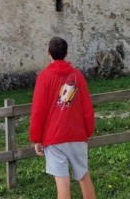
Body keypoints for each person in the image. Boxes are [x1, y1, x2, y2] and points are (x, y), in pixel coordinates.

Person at [29, 37, 96, 199]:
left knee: (62, 182)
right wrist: (87, 131)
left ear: (49, 53)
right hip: (77, 134)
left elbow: (38, 110)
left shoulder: (44, 77)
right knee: (84, 176)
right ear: (66, 53)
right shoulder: (77, 75)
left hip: (54, 137)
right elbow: (87, 106)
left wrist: (36, 138)